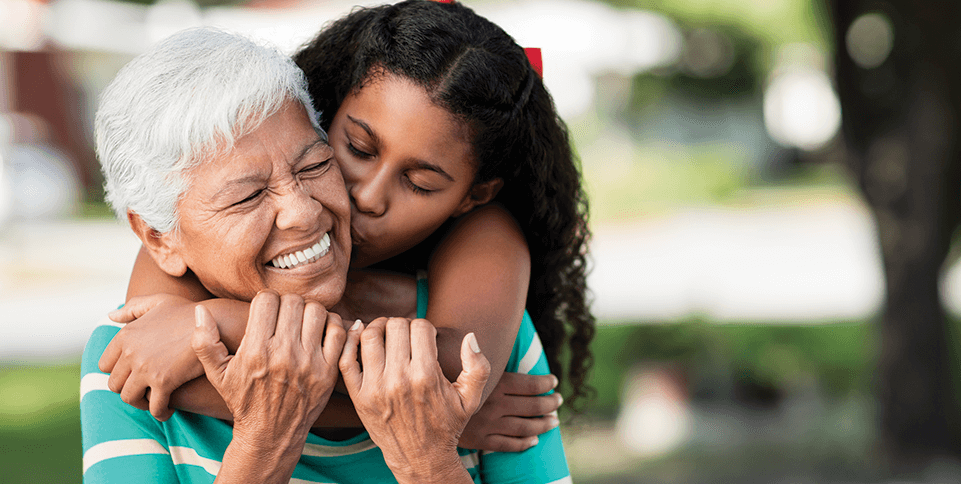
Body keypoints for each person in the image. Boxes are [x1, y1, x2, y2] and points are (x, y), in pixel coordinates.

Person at [97, 0, 594, 481]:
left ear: (471, 196)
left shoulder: (486, 238)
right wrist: (441, 417)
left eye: (420, 184)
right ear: (324, 114)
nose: (368, 196)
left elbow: (456, 372)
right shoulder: (172, 248)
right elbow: (148, 365)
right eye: (356, 149)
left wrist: (226, 325)